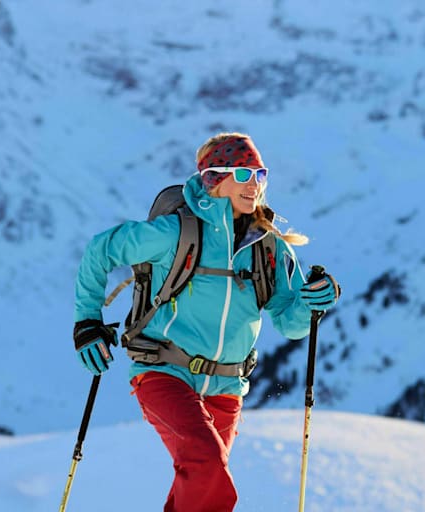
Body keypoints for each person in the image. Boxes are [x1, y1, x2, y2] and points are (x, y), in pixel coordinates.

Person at [73, 132, 341, 511]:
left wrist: (312, 303)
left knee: (196, 481)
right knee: (207, 468)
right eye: (245, 175)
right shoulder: (175, 233)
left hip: (228, 386)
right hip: (163, 372)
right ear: (216, 177)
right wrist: (87, 322)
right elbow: (101, 250)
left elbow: (289, 323)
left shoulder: (268, 247)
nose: (256, 185)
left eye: (261, 175)